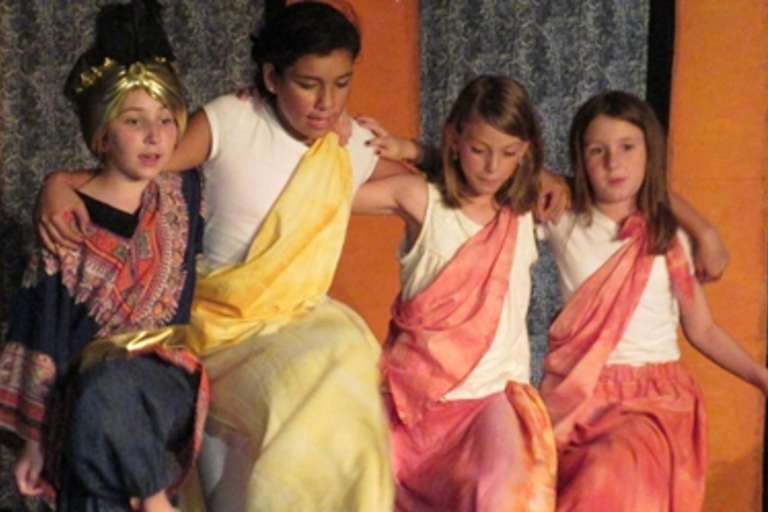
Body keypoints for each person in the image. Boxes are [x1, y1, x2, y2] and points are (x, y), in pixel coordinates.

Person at [0, 1, 207, 511]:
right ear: (102, 136)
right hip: (84, 393)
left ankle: (154, 498)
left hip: (163, 379)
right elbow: (41, 325)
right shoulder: (68, 220)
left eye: (165, 119)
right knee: (87, 451)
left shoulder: (183, 191)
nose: (155, 135)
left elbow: (248, 119)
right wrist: (32, 439)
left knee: (108, 389)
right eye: (134, 122)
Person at [537, 90, 768, 511]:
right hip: (578, 396)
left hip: (653, 402)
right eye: (597, 151)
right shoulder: (562, 219)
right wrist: (544, 177)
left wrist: (759, 375)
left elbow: (702, 328)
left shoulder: (670, 236)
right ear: (580, 160)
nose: (614, 162)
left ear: (650, 152)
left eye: (628, 147)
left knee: (609, 472)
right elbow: (501, 172)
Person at [354, 74, 557, 511]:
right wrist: (407, 152)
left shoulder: (523, 211)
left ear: (524, 153)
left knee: (503, 495)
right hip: (416, 406)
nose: (491, 167)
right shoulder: (421, 200)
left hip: (492, 400)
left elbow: (605, 191)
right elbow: (330, 194)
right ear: (454, 140)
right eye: (479, 149)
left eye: (507, 153)